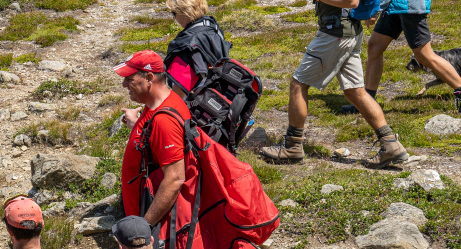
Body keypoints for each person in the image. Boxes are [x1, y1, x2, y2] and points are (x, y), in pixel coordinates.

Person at [260, 0, 409, 169]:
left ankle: (292, 146)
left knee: (298, 84)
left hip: (335, 34)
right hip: (349, 31)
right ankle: (391, 144)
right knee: (355, 92)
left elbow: (352, 2)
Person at [117, 50, 209, 249]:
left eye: (130, 79)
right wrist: (134, 124)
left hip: (154, 231)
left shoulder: (163, 120)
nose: (124, 85)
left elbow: (175, 178)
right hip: (144, 219)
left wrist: (141, 233)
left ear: (149, 78)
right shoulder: (155, 107)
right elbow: (152, 146)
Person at [340, 0, 461, 114]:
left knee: (424, 55)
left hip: (408, 6)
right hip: (394, 6)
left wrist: (373, 10)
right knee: (375, 46)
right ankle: (367, 101)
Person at [163, 0, 231, 96]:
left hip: (194, 103)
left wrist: (166, 107)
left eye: (174, 13)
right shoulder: (212, 27)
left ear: (185, 12)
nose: (174, 17)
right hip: (215, 93)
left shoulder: (188, 44)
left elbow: (181, 87)